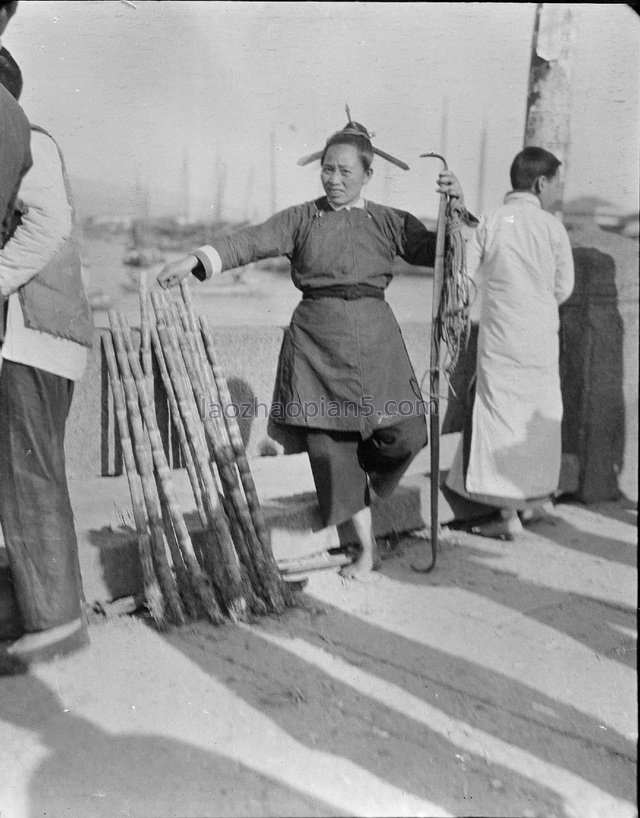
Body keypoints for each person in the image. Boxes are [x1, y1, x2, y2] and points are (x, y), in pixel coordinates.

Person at [158, 116, 473, 577]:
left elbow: (443, 250)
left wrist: (455, 204)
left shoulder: (390, 222)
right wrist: (194, 260)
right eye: (327, 169)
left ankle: (367, 474)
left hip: (377, 339)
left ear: (367, 174)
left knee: (409, 431)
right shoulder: (301, 218)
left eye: (346, 171)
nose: (334, 179)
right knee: (332, 453)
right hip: (316, 345)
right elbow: (250, 241)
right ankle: (365, 549)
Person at [0, 48, 94, 665]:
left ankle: (57, 622)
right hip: (34, 338)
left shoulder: (29, 143)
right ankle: (45, 608)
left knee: (29, 477)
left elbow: (49, 223)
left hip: (35, 337)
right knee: (24, 476)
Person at [445, 146, 575, 540]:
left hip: (500, 337)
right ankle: (531, 501)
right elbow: (564, 288)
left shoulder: (493, 220)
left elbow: (465, 278)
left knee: (500, 418)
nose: (558, 191)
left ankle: (507, 512)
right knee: (537, 419)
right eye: (556, 183)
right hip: (538, 339)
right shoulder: (553, 227)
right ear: (540, 183)